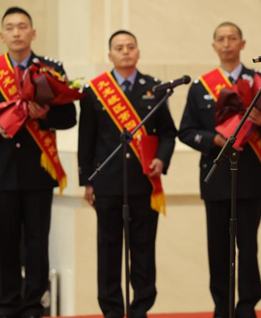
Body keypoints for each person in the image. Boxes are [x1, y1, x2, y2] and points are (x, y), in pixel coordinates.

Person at [0, 7, 77, 318]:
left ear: (33, 33)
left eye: (22, 26)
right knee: (6, 243)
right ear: (2, 35)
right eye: (10, 28)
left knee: (38, 243)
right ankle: (7, 305)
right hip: (1, 170)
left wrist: (46, 117)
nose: (16, 32)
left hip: (38, 169)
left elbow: (69, 117)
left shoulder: (51, 70)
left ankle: (33, 306)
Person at [178, 22, 261, 318]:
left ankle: (247, 306)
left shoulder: (260, 80)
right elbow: (186, 131)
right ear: (214, 46)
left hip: (250, 175)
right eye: (221, 39)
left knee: (248, 247)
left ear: (242, 43)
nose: (226, 43)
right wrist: (215, 139)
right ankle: (222, 307)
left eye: (232, 38)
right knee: (218, 248)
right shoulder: (200, 87)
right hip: (216, 174)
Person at [78, 30, 177, 318]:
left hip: (144, 182)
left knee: (143, 252)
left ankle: (140, 310)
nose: (125, 51)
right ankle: (111, 311)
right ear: (110, 55)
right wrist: (87, 180)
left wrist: (161, 158)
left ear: (138, 52)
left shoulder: (154, 88)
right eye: (118, 48)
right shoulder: (95, 91)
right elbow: (87, 140)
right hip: (107, 184)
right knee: (109, 252)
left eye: (130, 46)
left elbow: (168, 133)